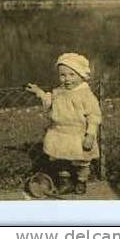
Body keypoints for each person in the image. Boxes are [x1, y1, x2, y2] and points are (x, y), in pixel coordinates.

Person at [26, 53, 102, 195]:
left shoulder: (85, 95)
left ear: (81, 75)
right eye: (63, 75)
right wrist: (39, 92)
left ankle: (81, 180)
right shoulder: (58, 92)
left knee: (81, 160)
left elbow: (94, 116)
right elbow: (50, 103)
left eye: (72, 75)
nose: (67, 79)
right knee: (61, 158)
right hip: (59, 132)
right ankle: (65, 181)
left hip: (77, 132)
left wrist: (90, 134)